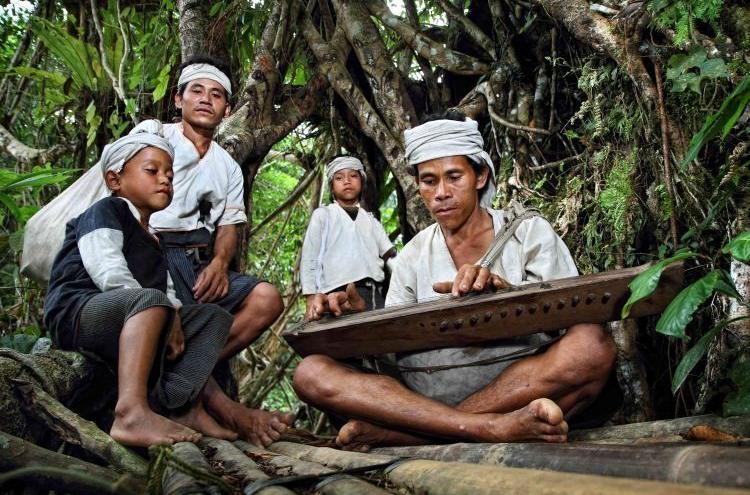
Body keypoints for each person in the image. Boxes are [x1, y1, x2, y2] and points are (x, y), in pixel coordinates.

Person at [293, 111, 618, 450]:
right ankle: (488, 428)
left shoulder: (527, 233)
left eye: (454, 177)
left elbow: (572, 323)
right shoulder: (412, 256)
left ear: (480, 176)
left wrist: (506, 295)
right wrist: (357, 320)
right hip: (425, 393)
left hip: (520, 388)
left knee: (591, 345)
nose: (441, 193)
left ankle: (418, 435)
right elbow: (388, 350)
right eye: (429, 181)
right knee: (311, 372)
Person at [44, 122, 238, 447]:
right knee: (151, 300)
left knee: (211, 318)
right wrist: (162, 309)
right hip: (78, 313)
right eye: (152, 170)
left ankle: (179, 407)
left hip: (128, 314)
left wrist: (174, 313)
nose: (165, 178)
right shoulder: (106, 210)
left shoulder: (151, 235)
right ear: (115, 179)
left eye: (170, 174)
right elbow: (106, 267)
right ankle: (131, 413)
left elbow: (166, 289)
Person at [149, 55, 293, 445]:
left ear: (227, 110)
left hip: (198, 258)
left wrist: (218, 262)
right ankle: (216, 407)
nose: (205, 100)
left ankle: (181, 379)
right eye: (196, 91)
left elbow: (229, 225)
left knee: (266, 298)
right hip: (153, 251)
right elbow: (128, 204)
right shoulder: (155, 137)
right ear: (178, 99)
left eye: (216, 95)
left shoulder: (227, 165)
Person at [301, 156, 396, 321]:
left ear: (362, 182)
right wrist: (310, 298)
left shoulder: (372, 221)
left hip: (373, 294)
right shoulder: (323, 215)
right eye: (339, 178)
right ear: (331, 186)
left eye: (353, 176)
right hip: (333, 296)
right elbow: (310, 257)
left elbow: (390, 256)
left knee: (380, 341)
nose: (347, 181)